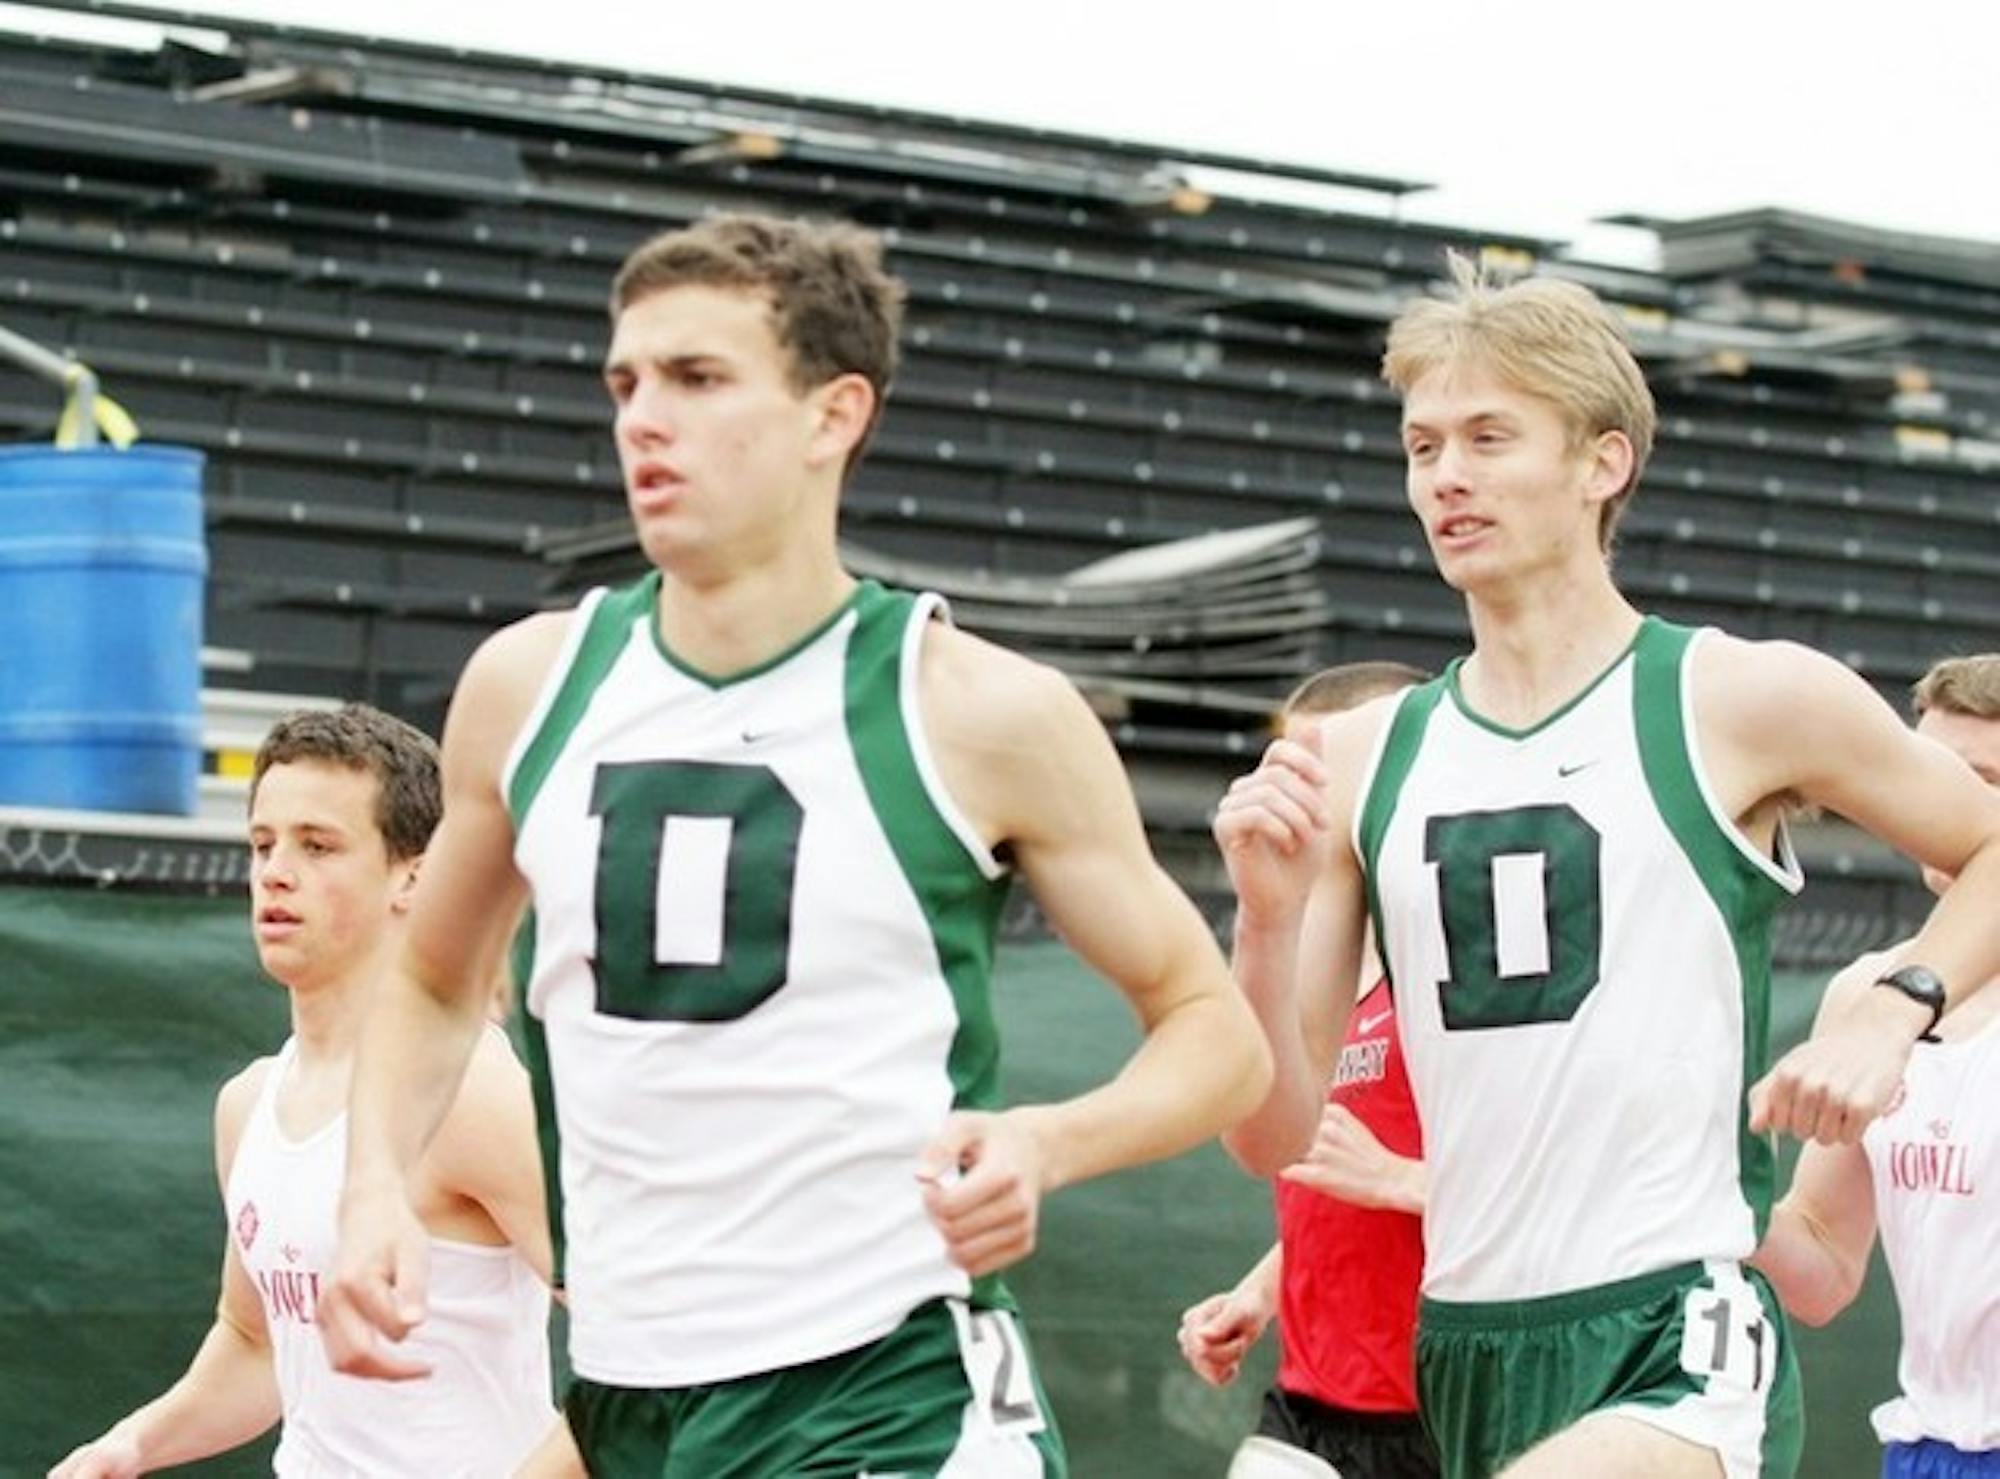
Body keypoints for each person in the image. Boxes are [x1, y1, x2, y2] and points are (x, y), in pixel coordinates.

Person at [316, 212, 1271, 1476]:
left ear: (834, 415)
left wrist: (1048, 1140)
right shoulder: (528, 687)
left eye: (699, 379)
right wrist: (374, 1181)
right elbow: (436, 982)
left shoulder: (974, 711)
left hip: (885, 1380)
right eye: (627, 382)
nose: (643, 419)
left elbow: (1215, 1030)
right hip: (628, 1390)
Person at [1213, 255, 2000, 1479]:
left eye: (1487, 437)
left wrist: (1898, 1010)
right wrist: (1263, 924)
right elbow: (1270, 1138)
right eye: (1422, 447)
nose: (1446, 478)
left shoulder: (1736, 696)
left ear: (1601, 462)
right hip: (1466, 1336)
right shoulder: (1365, 756)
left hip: (1671, 1327)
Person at [48, 704, 557, 1478]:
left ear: (412, 875)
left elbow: (642, 1330)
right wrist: (134, 1442)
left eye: (318, 845)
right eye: (262, 843)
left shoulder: (468, 1089)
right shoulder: (248, 1104)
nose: (277, 871)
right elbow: (256, 1342)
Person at [1179, 662, 1439, 1479]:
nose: (1296, 800)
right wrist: (1261, 1290)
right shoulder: (1306, 967)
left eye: (1322, 772)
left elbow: (1571, 1192)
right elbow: (1328, 1178)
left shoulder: (1465, 969)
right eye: (1283, 768)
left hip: (1445, 1408)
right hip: (1311, 1402)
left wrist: (1406, 1178)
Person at [1754, 653, 2000, 1479]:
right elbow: (1821, 1269)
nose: (1947, 806)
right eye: (1930, 774)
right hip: (1927, 1446)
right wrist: (1715, 1185)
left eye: (1987, 779)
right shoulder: (1865, 994)